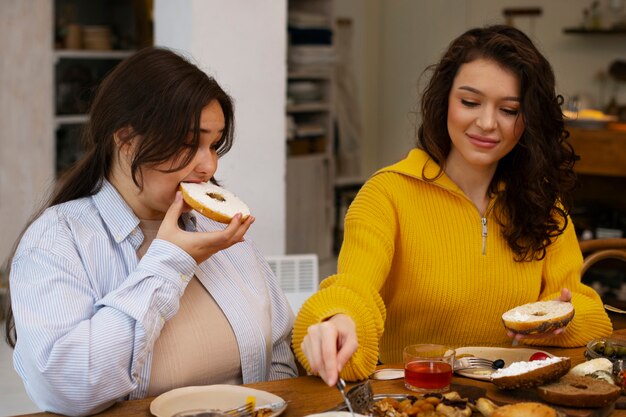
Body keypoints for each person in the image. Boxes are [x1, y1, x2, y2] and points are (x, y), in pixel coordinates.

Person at [292, 25, 613, 386]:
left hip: (514, 402)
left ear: (527, 122)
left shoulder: (544, 206)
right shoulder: (385, 195)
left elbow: (588, 311)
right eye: (470, 102)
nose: (487, 123)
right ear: (445, 100)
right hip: (414, 400)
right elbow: (353, 290)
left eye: (508, 109)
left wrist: (561, 322)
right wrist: (338, 320)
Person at [5, 47, 297, 416]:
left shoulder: (220, 227)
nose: (208, 165)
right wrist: (171, 262)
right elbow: (67, 386)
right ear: (127, 141)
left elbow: (279, 354)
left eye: (214, 144)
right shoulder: (58, 239)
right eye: (190, 143)